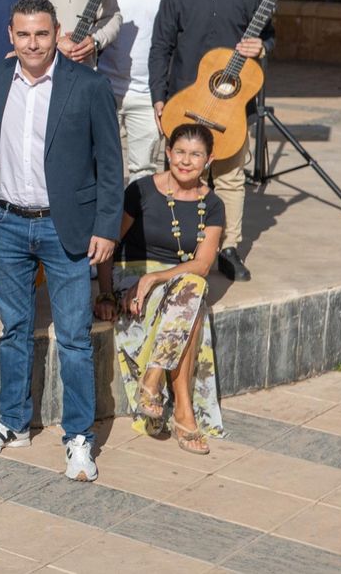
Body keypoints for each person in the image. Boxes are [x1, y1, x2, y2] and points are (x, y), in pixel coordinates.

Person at [0, 0, 121, 483]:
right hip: (9, 225)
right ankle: (13, 421)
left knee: (75, 338)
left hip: (66, 228)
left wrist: (105, 227)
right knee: (14, 330)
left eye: (41, 34)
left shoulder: (89, 85)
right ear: (10, 35)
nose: (33, 44)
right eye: (23, 35)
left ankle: (79, 437)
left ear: (56, 33)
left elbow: (110, 166)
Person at [148, 0, 269, 283]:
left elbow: (271, 37)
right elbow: (160, 51)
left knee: (230, 180)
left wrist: (263, 47)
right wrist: (159, 98)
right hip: (187, 106)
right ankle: (180, 246)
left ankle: (228, 249)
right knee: (183, 177)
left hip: (232, 109)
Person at [95, 124, 226, 454]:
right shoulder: (141, 190)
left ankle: (154, 378)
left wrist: (156, 278)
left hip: (171, 281)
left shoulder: (212, 205)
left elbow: (203, 264)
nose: (185, 161)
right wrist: (106, 292)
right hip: (132, 277)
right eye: (179, 152)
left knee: (192, 286)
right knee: (192, 304)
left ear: (209, 159)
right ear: (167, 153)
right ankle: (185, 412)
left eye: (195, 155)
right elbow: (111, 242)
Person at [98, 0, 190, 181]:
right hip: (106, 88)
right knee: (101, 167)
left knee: (144, 172)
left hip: (150, 96)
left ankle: (139, 224)